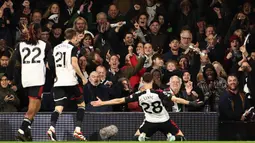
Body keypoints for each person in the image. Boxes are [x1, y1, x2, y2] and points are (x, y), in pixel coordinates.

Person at [91, 72, 203, 141]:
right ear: (153, 81)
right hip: (165, 120)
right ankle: (171, 137)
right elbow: (175, 99)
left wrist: (102, 103)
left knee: (135, 138)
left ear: (142, 81)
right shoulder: (159, 92)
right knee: (181, 138)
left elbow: (119, 100)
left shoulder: (139, 94)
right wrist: (191, 103)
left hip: (150, 122)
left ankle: (143, 138)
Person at [7, 23, 52, 141]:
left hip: (26, 78)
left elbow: (12, 62)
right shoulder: (45, 44)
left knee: (37, 104)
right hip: (37, 78)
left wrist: (10, 77)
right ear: (39, 32)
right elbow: (50, 63)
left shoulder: (20, 45)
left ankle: (27, 129)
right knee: (33, 107)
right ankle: (21, 130)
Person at [47, 28, 87, 141]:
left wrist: (56, 74)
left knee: (58, 108)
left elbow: (48, 65)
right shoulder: (72, 48)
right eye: (76, 38)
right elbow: (74, 63)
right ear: (73, 37)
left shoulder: (55, 48)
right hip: (71, 81)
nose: (77, 40)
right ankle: (77, 130)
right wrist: (83, 77)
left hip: (58, 82)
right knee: (81, 104)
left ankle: (51, 128)